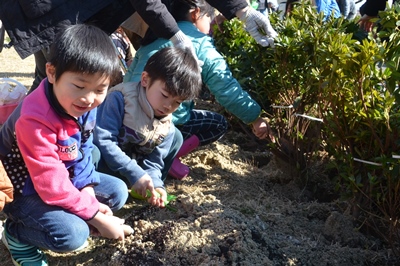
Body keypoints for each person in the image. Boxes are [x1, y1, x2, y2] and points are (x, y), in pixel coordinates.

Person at [0, 24, 131, 266]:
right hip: (22, 188)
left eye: (100, 89)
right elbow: (50, 185)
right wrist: (94, 216)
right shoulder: (34, 119)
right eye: (80, 86)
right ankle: (15, 233)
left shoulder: (81, 104)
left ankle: (69, 212)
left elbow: (84, 148)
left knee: (117, 192)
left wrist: (87, 190)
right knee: (73, 235)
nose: (89, 98)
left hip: (60, 176)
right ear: (51, 72)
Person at [124, 0, 275, 180]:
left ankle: (150, 154)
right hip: (163, 126)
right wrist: (255, 118)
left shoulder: (154, 36)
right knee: (218, 124)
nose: (211, 25)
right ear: (196, 13)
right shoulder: (199, 42)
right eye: (209, 19)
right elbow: (226, 87)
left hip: (129, 118)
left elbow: (129, 78)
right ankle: (167, 155)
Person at [0, 0, 278, 92]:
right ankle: (27, 157)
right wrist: (176, 36)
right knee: (61, 83)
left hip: (87, 13)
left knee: (55, 83)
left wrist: (242, 10)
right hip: (61, 9)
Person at [94, 47, 202, 207]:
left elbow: (154, 162)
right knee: (92, 152)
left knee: (176, 137)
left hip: (133, 173)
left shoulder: (167, 127)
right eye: (164, 95)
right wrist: (135, 173)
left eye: (177, 102)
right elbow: (104, 141)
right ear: (145, 79)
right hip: (104, 164)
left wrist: (156, 184)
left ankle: (147, 191)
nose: (168, 105)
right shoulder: (120, 100)